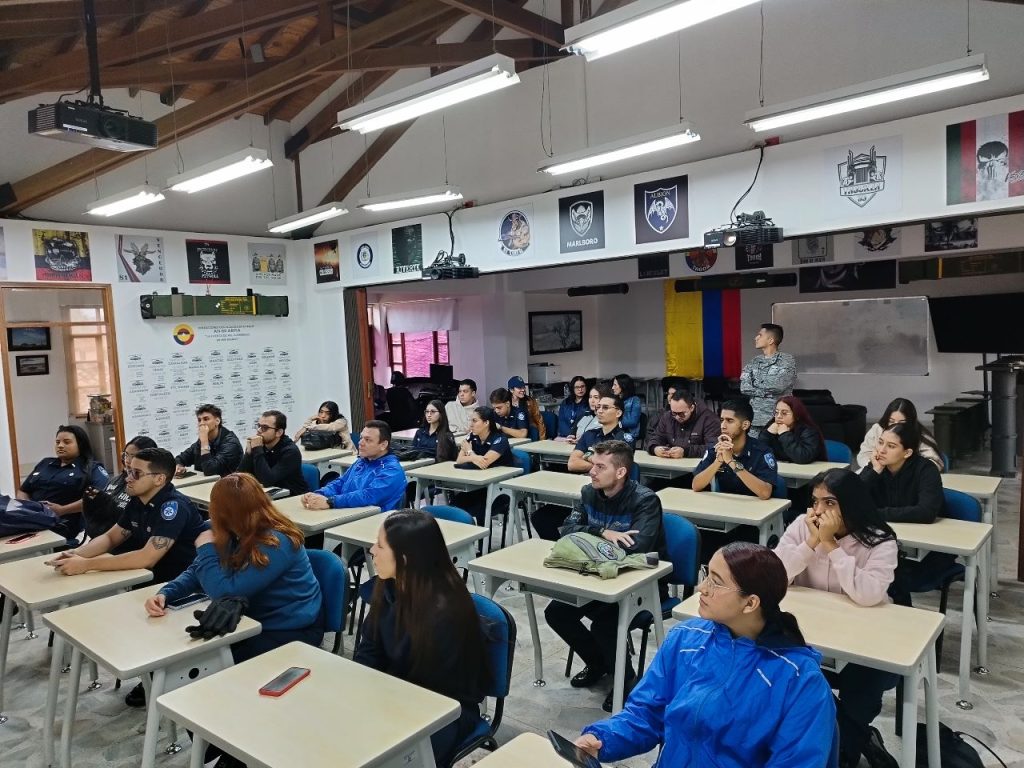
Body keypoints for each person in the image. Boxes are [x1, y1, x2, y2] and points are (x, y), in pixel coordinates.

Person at [574, 542, 835, 766]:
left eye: (716, 582)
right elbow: (646, 713)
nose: (701, 588)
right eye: (706, 575)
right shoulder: (685, 640)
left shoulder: (800, 682)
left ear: (751, 603)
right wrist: (602, 739)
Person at [774, 468, 899, 767]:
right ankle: (844, 739)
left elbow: (867, 593)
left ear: (850, 504)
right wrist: (811, 544)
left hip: (863, 639)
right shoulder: (803, 527)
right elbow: (775, 574)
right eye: (816, 502)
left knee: (862, 693)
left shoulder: (880, 540)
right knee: (782, 674)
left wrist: (831, 545)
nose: (819, 511)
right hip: (810, 632)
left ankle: (844, 749)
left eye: (829, 503)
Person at [355, 510, 489, 765]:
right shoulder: (389, 586)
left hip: (444, 712)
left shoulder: (446, 612)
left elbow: (430, 692)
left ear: (404, 559)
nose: (372, 550)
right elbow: (368, 650)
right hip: (397, 698)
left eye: (380, 545)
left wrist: (377, 703)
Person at [145, 473, 323, 662]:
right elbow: (197, 571)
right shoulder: (231, 529)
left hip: (288, 627)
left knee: (212, 665)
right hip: (251, 618)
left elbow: (224, 592)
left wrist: (206, 548)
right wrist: (166, 593)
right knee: (188, 653)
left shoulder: (276, 541)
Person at [545, 440, 667, 712]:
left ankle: (626, 678)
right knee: (556, 612)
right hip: (595, 577)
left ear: (621, 472)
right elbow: (567, 529)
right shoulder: (589, 493)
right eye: (593, 464)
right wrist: (602, 534)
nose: (592, 471)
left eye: (601, 467)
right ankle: (599, 663)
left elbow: (636, 550)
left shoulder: (645, 501)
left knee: (603, 623)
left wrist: (586, 541)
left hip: (641, 584)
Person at [859, 421, 947, 606]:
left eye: (891, 446)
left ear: (907, 452)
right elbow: (852, 499)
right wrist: (873, 471)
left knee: (894, 576)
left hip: (926, 552)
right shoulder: (876, 467)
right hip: (886, 544)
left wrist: (876, 514)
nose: (881, 450)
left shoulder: (926, 470)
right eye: (880, 442)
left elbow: (926, 512)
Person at [18, 424, 110, 542]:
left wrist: (62, 509)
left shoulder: (91, 469)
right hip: (32, 524)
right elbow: (23, 490)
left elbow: (96, 498)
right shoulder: (45, 464)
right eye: (57, 442)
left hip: (65, 528)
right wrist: (28, 507)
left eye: (67, 442)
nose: (60, 446)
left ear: (80, 444)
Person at [301, 420, 407, 514]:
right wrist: (318, 494)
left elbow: (368, 496)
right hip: (349, 513)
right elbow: (341, 483)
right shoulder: (362, 462)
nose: (360, 443)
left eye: (368, 440)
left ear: (383, 445)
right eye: (361, 438)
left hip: (373, 522)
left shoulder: (392, 470)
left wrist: (330, 502)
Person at [691, 399, 778, 500]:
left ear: (745, 425)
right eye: (721, 420)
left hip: (755, 509)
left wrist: (731, 462)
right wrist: (718, 461)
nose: (723, 426)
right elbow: (696, 486)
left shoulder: (762, 451)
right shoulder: (715, 448)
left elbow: (765, 493)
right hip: (725, 506)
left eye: (729, 421)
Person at [82, 435, 157, 541]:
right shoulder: (115, 480)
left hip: (127, 543)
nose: (128, 460)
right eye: (126, 455)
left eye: (134, 456)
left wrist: (111, 508)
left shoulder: (148, 487)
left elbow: (137, 523)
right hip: (103, 538)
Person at [452, 406, 516, 525]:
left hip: (500, 490)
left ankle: (483, 543)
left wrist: (470, 452)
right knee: (454, 503)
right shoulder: (472, 436)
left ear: (486, 422)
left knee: (481, 508)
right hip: (479, 486)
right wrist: (474, 456)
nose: (471, 425)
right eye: (470, 420)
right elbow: (459, 460)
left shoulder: (500, 439)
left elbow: (484, 463)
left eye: (474, 421)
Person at [855, 397, 943, 472]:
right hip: (877, 472)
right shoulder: (878, 429)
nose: (895, 425)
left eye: (902, 422)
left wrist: (902, 470)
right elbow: (864, 455)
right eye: (891, 421)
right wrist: (877, 466)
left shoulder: (920, 435)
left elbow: (935, 463)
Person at [740, 323, 797, 436]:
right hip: (755, 420)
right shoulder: (754, 361)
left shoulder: (786, 360)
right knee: (756, 451)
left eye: (760, 335)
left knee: (777, 452)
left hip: (778, 420)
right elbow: (744, 388)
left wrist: (755, 387)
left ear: (770, 340)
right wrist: (767, 392)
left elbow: (777, 386)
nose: (756, 338)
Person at [238, 410, 308, 497]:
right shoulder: (260, 446)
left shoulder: (290, 451)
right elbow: (239, 477)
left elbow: (267, 481)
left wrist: (257, 450)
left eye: (264, 428)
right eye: (258, 426)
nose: (259, 430)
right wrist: (248, 454)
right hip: (269, 496)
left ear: (279, 432)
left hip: (292, 497)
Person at [567, 395, 634, 474]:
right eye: (598, 407)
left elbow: (613, 468)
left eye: (605, 407)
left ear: (618, 413)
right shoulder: (589, 434)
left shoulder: (624, 439)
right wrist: (599, 465)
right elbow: (572, 464)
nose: (599, 411)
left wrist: (587, 456)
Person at [174, 404, 243, 478]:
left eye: (206, 419)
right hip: (206, 485)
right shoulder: (202, 441)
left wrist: (204, 443)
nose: (201, 423)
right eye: (199, 420)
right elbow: (180, 458)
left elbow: (210, 470)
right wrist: (178, 466)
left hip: (231, 486)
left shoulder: (231, 443)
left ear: (217, 421)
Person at [646, 389, 719, 459]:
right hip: (672, 463)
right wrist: (655, 448)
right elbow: (656, 437)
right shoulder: (667, 416)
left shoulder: (709, 419)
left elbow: (713, 448)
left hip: (699, 466)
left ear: (692, 408)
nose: (677, 417)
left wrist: (685, 452)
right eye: (674, 413)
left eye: (681, 414)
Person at [760, 396, 827, 464]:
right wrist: (767, 434)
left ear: (796, 415)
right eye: (776, 412)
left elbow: (802, 458)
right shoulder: (772, 426)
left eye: (784, 413)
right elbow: (758, 455)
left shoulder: (808, 431)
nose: (778, 416)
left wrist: (784, 434)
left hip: (806, 472)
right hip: (780, 471)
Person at [611, 374, 641, 440]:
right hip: (614, 432)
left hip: (628, 435)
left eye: (615, 385)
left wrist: (613, 422)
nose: (612, 388)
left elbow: (633, 421)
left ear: (623, 385)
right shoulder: (613, 400)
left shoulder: (635, 400)